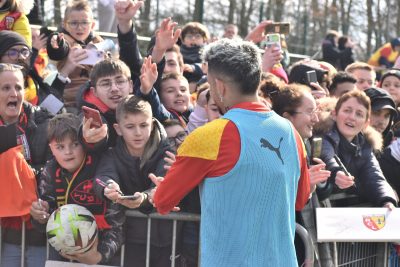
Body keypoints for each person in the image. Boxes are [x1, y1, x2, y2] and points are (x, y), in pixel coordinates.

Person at [150, 39, 310, 266]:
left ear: (219, 86)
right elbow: (299, 200)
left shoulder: (210, 135)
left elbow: (163, 201)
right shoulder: (292, 133)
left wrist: (159, 191)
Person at [30, 113, 124, 265]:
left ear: (85, 143)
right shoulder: (50, 170)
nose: (68, 152)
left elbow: (117, 224)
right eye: (60, 146)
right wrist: (39, 215)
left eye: (75, 144)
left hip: (103, 256)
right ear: (51, 148)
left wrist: (99, 256)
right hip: (62, 254)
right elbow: (46, 214)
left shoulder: (100, 165)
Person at [93, 95, 176, 266]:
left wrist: (144, 198)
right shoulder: (112, 154)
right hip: (132, 239)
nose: (138, 132)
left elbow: (163, 183)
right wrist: (109, 188)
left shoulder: (167, 151)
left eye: (143, 125)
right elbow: (102, 177)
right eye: (130, 126)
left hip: (169, 238)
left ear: (152, 124)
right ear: (118, 129)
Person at [0, 63, 52, 267]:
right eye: (5, 88)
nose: (14, 93)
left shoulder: (45, 122)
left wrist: (23, 172)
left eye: (18, 87)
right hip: (5, 235)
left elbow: (55, 166)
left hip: (38, 232)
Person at [315, 90, 398, 207]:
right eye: (347, 110)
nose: (352, 117)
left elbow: (375, 176)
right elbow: (327, 156)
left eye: (359, 114)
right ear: (334, 114)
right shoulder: (323, 134)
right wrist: (336, 173)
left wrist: (387, 201)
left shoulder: (366, 144)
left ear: (366, 123)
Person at [47, 0, 104, 110]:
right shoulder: (65, 41)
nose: (79, 27)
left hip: (98, 99)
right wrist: (55, 41)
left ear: (92, 24)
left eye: (84, 23)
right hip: (71, 101)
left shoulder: (98, 41)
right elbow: (58, 50)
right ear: (64, 24)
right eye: (73, 23)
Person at [0, 30, 66, 107]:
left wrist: (65, 71)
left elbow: (51, 110)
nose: (21, 57)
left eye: (25, 52)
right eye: (13, 53)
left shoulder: (35, 85)